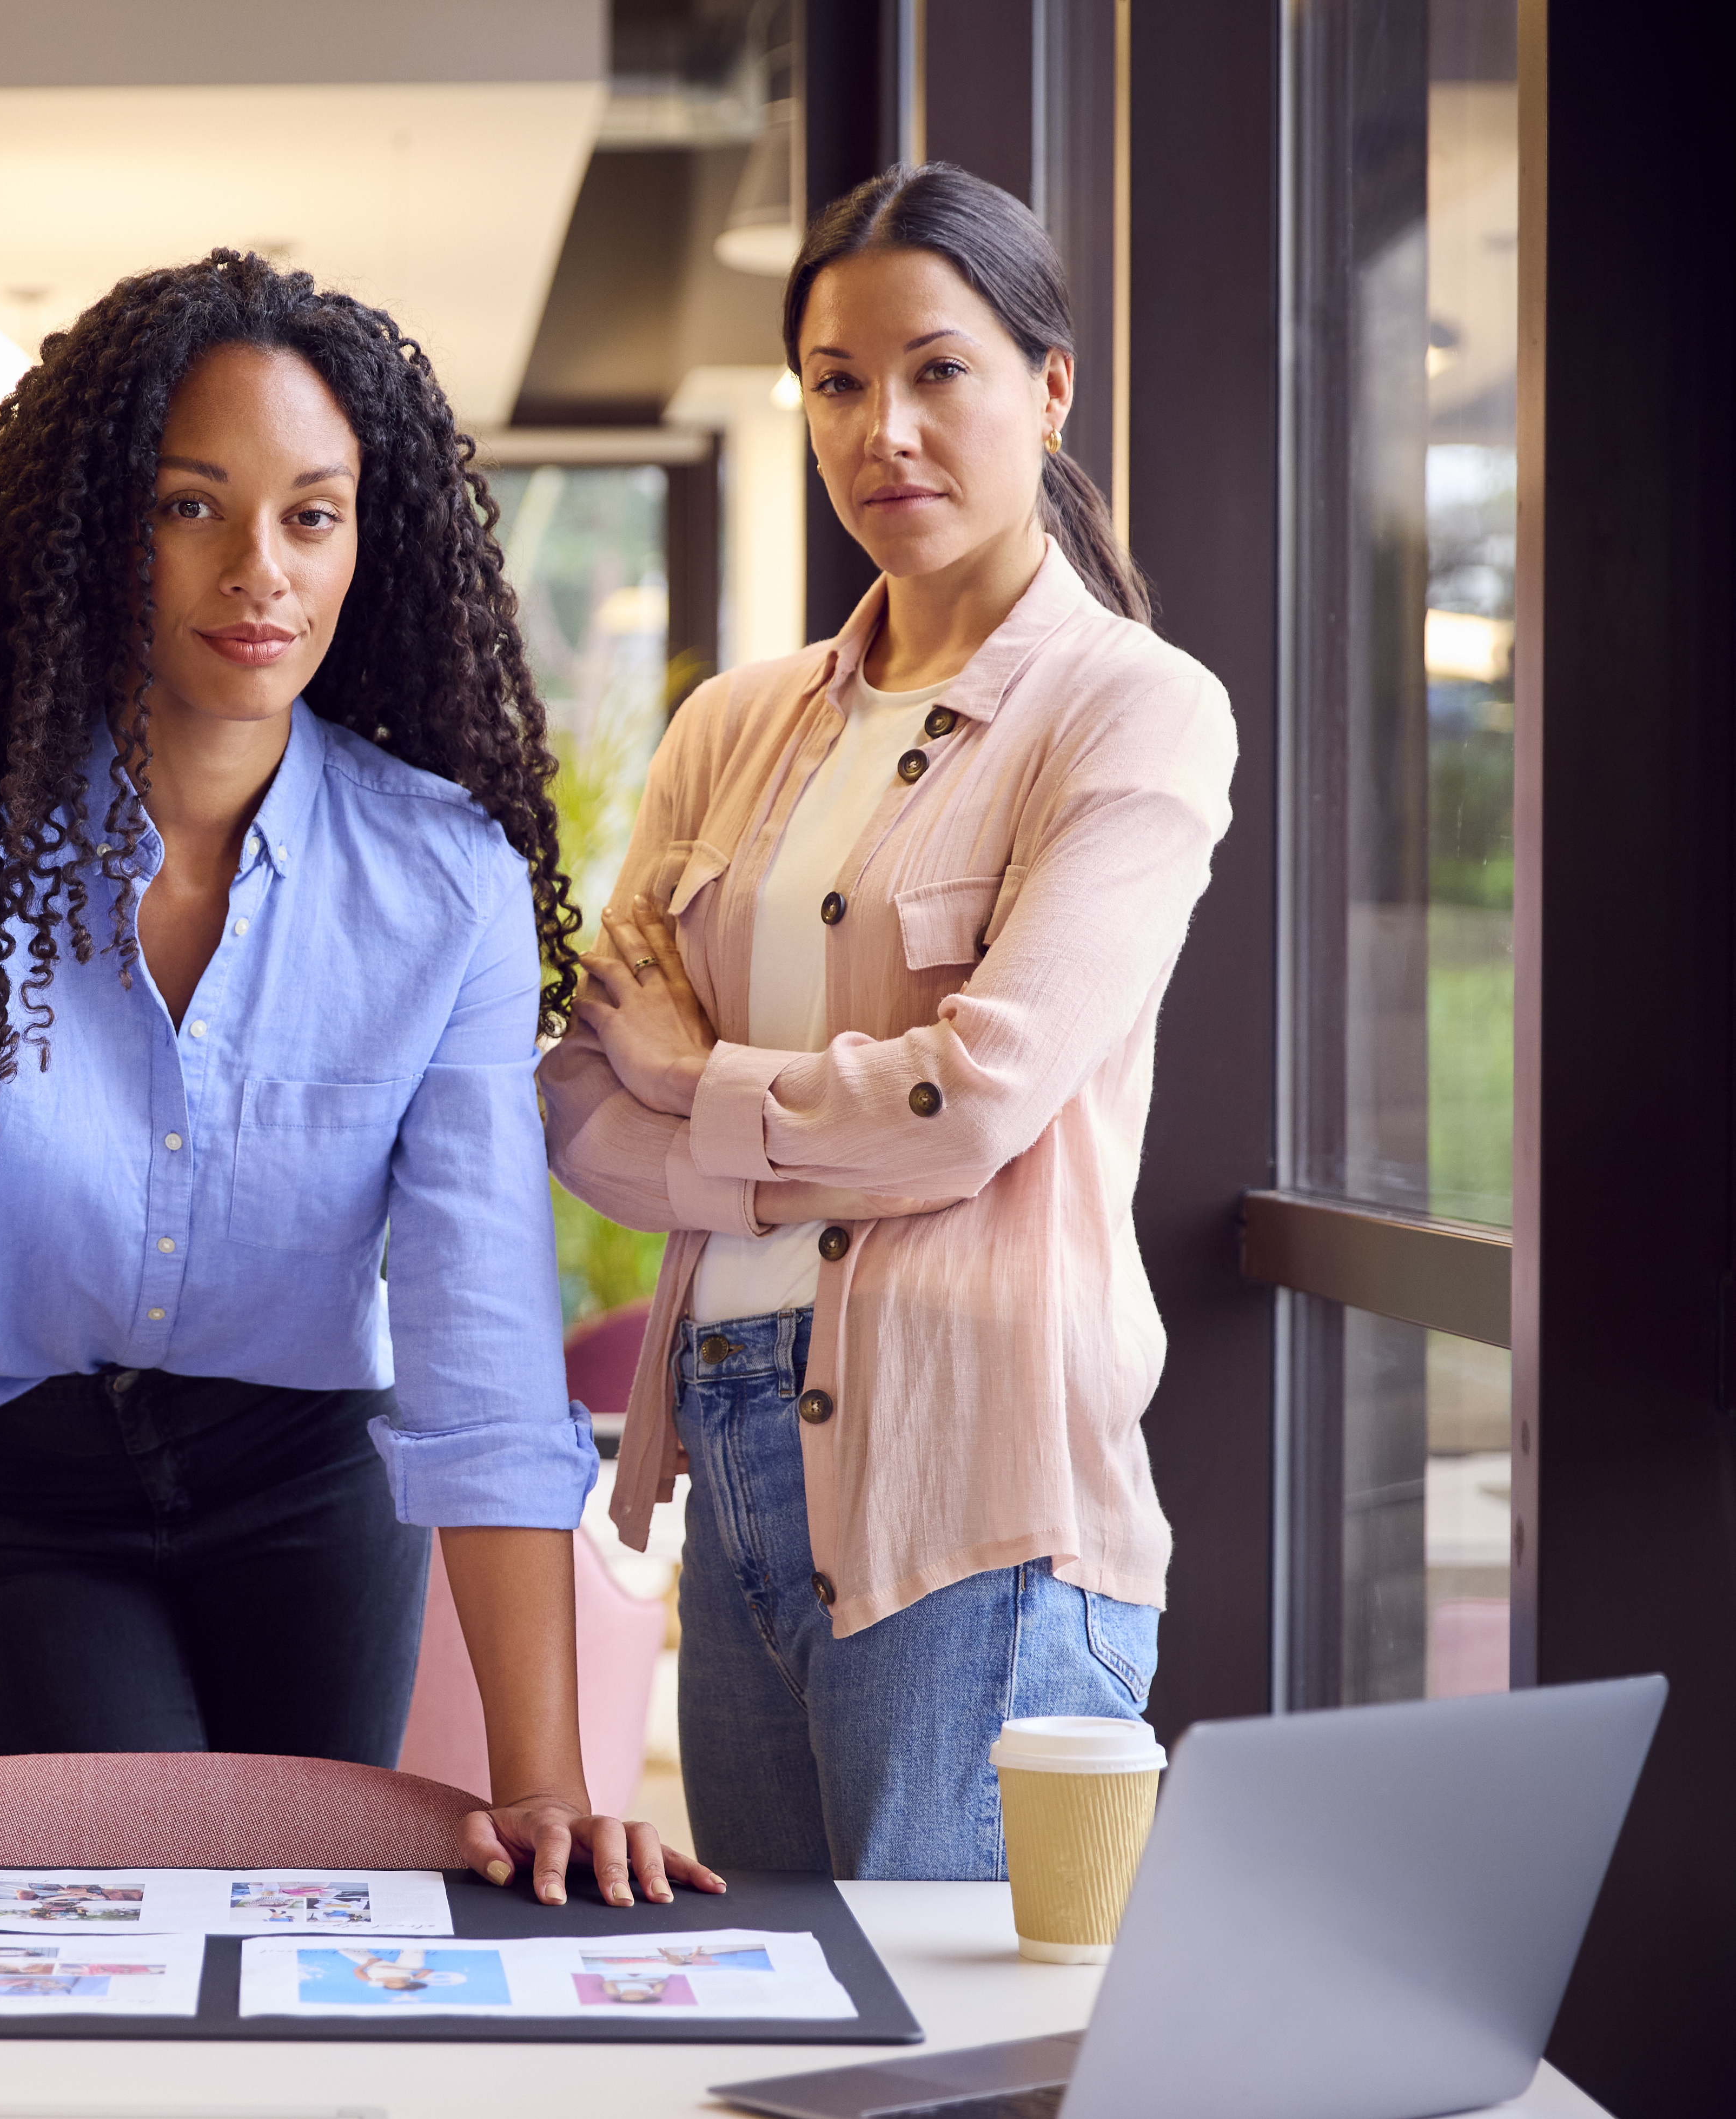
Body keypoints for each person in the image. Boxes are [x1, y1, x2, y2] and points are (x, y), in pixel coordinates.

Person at [0, 249, 719, 1923]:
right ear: (93, 530)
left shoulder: (444, 882)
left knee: (311, 1944)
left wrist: (551, 1792)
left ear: (369, 538)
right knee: (111, 1929)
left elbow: (482, 1341)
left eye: (312, 515)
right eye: (193, 507)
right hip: (14, 1492)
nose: (258, 570)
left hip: (306, 1485)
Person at [541, 163, 1236, 1881]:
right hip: (727, 1449)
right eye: (838, 385)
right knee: (782, 2019)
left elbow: (978, 1100)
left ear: (1048, 386)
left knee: (954, 2051)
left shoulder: (1132, 713)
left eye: (940, 372)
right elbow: (573, 1098)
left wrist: (699, 1086)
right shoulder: (736, 724)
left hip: (977, 1487)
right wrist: (797, 1139)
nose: (885, 431)